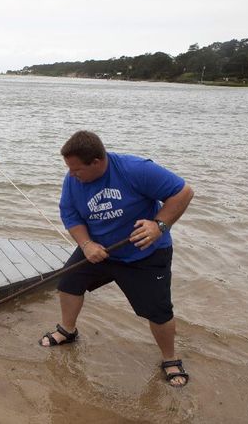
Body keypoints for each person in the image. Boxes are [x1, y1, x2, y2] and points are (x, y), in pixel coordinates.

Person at [40, 130, 194, 388]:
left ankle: (170, 357)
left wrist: (159, 226)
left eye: (77, 169)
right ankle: (68, 330)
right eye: (69, 168)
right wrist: (87, 244)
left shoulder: (136, 169)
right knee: (68, 282)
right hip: (100, 250)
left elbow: (184, 192)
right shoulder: (72, 180)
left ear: (97, 162)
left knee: (158, 310)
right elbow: (70, 215)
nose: (71, 174)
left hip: (144, 253)